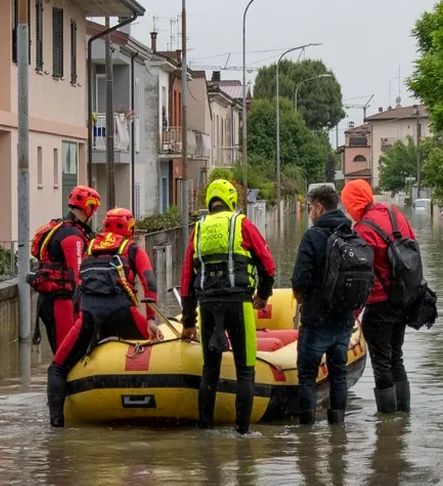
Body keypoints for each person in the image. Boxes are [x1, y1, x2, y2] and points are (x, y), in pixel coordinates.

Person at [179, 179, 277, 434]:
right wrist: (263, 295)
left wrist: (188, 322)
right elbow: (268, 265)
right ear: (231, 200)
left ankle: (205, 429)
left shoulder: (198, 229)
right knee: (245, 370)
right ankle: (242, 432)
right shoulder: (241, 223)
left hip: (207, 307)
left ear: (209, 201)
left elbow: (187, 279)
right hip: (238, 304)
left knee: (209, 370)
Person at [46, 208, 160, 427]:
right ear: (130, 229)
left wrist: (79, 321)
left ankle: (56, 425)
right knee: (160, 348)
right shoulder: (132, 248)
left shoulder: (90, 248)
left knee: (57, 368)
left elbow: (79, 288)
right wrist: (151, 319)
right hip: (124, 313)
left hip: (90, 316)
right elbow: (150, 282)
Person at [290, 184, 373, 426]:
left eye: (309, 208)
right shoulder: (351, 234)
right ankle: (338, 430)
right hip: (343, 319)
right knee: (338, 374)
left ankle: (306, 433)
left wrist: (302, 299)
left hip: (316, 319)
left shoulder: (313, 236)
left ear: (318, 207)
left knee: (307, 376)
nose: (309, 213)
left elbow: (299, 280)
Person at [340, 179, 420, 414]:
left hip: (378, 306)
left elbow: (360, 277)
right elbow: (413, 247)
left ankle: (387, 421)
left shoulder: (362, 230)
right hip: (403, 300)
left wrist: (352, 315)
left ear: (354, 202)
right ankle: (403, 416)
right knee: (396, 357)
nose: (348, 211)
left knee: (382, 362)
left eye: (348, 204)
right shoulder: (395, 215)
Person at [29, 185, 101, 354]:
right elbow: (77, 276)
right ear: (88, 208)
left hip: (50, 300)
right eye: (94, 209)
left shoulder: (60, 227)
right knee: (67, 353)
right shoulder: (73, 236)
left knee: (62, 351)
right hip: (61, 303)